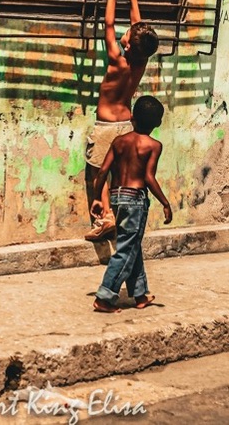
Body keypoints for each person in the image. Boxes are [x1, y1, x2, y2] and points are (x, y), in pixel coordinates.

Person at [84, 0, 159, 241]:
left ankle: (105, 216)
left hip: (106, 125)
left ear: (127, 43)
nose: (125, 32)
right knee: (117, 171)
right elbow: (139, 28)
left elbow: (109, 23)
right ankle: (118, 215)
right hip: (126, 124)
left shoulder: (117, 59)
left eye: (126, 34)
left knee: (99, 170)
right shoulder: (141, 63)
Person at [90, 95, 172, 312]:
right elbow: (148, 177)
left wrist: (98, 198)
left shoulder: (119, 142)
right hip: (135, 199)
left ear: (133, 117)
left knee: (130, 244)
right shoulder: (154, 145)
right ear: (158, 123)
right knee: (126, 249)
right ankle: (105, 296)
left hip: (117, 197)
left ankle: (140, 294)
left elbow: (103, 171)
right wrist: (165, 202)